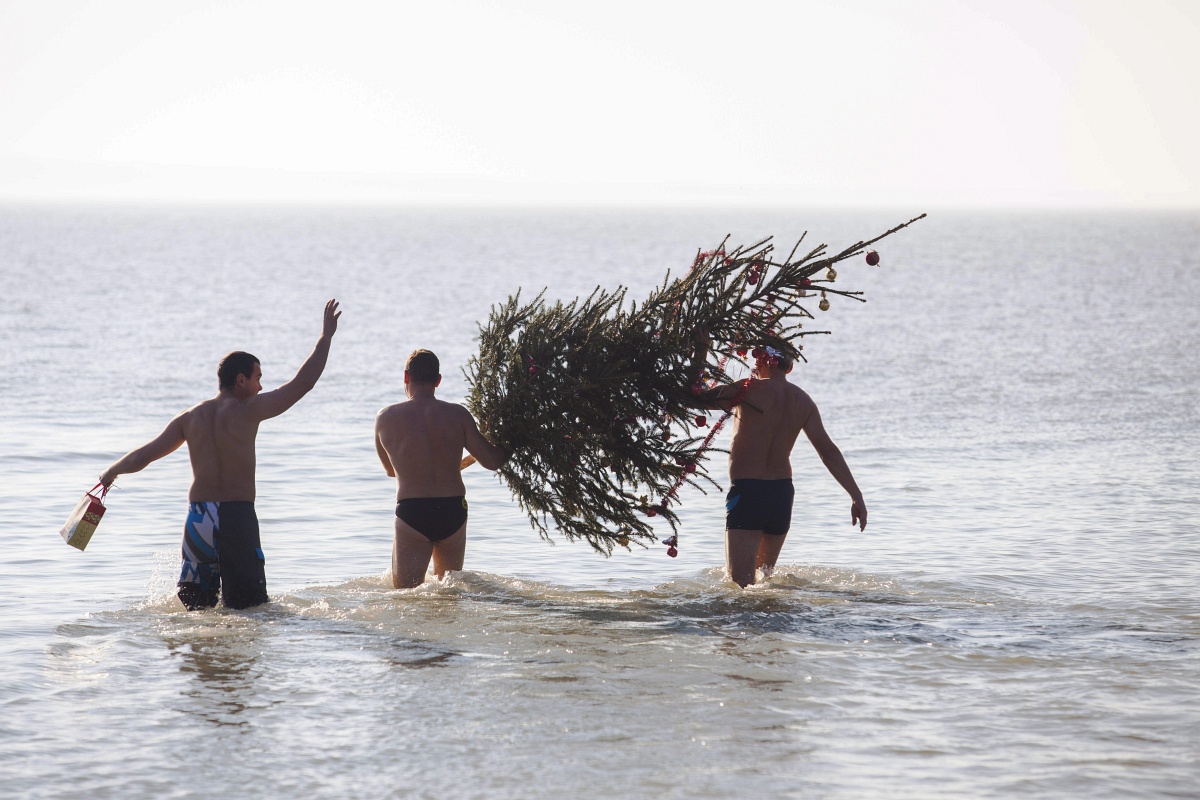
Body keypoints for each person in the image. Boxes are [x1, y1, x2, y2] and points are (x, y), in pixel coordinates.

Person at [99, 299, 342, 610]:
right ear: (241, 380)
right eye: (258, 378)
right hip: (235, 515)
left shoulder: (189, 417)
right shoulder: (250, 408)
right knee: (249, 608)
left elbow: (144, 455)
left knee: (195, 608)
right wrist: (326, 337)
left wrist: (111, 473)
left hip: (198, 517)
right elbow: (303, 383)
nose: (261, 385)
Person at [696, 341, 866, 587]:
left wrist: (700, 353)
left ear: (765, 360)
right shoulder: (803, 400)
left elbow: (697, 398)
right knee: (765, 582)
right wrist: (856, 495)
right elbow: (828, 451)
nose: (754, 365)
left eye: (756, 359)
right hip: (782, 495)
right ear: (789, 368)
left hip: (749, 491)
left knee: (740, 586)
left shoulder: (747, 389)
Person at [374, 349, 508, 589]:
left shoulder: (385, 418)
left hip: (412, 512)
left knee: (406, 597)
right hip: (452, 511)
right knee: (449, 592)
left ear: (406, 377)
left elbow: (391, 470)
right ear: (438, 380)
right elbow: (492, 461)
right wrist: (515, 441)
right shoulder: (458, 415)